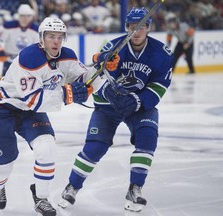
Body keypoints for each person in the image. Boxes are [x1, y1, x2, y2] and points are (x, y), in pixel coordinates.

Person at [0, 16, 103, 216]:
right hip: (1, 109)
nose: (56, 41)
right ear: (41, 38)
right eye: (51, 36)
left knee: (46, 147)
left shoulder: (67, 56)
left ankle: (41, 198)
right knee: (4, 167)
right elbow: (33, 100)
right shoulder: (29, 58)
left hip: (30, 112)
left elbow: (86, 78)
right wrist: (67, 94)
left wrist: (103, 69)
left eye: (60, 37)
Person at [59, 7, 174, 213]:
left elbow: (160, 85)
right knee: (95, 147)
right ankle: (72, 186)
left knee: (148, 137)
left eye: (141, 27)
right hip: (108, 106)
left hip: (139, 106)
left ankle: (135, 189)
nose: (136, 32)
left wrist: (138, 101)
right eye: (132, 27)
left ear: (148, 28)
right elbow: (96, 73)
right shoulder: (114, 47)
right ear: (126, 27)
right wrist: (104, 68)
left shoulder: (162, 53)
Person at [0, 4, 38, 76]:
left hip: (26, 63)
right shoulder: (8, 26)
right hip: (9, 62)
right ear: (18, 16)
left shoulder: (36, 29)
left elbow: (40, 46)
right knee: (5, 85)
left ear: (31, 16)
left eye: (28, 16)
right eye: (22, 16)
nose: (25, 18)